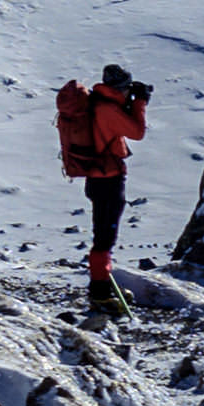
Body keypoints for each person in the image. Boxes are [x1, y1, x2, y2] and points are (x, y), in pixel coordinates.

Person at [54, 60, 151, 304]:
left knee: (103, 234)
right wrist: (140, 103)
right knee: (105, 238)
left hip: (96, 179)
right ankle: (99, 293)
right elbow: (137, 132)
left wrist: (128, 101)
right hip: (108, 179)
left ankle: (103, 283)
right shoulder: (108, 110)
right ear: (120, 88)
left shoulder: (98, 102)